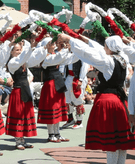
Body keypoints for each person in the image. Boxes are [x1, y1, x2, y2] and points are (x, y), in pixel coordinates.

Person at [58, 33, 135, 164]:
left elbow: (89, 54)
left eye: (106, 46)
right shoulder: (123, 59)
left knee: (112, 142)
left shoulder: (108, 62)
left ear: (110, 47)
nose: (104, 48)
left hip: (109, 102)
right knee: (121, 141)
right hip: (121, 102)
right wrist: (83, 39)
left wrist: (70, 39)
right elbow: (97, 48)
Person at [6, 41, 47, 150]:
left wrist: (43, 48)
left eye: (20, 50)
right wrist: (31, 47)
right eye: (17, 50)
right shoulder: (12, 63)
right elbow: (22, 59)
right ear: (12, 52)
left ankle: (23, 140)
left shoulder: (24, 62)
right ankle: (18, 140)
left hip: (25, 90)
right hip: (18, 91)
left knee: (25, 115)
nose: (19, 52)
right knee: (18, 115)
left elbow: (35, 59)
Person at [38, 38, 78, 143]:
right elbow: (58, 57)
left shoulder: (53, 56)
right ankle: (51, 134)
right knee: (52, 110)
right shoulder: (45, 57)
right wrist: (65, 48)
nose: (54, 45)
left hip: (57, 84)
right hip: (50, 85)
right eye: (51, 43)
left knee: (58, 110)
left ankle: (57, 133)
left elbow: (69, 59)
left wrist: (77, 51)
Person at [62, 59, 89, 129]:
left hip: (78, 78)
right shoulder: (68, 54)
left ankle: (79, 122)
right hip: (68, 77)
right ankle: (70, 119)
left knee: (78, 99)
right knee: (66, 99)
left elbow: (84, 67)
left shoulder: (81, 54)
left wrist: (81, 79)